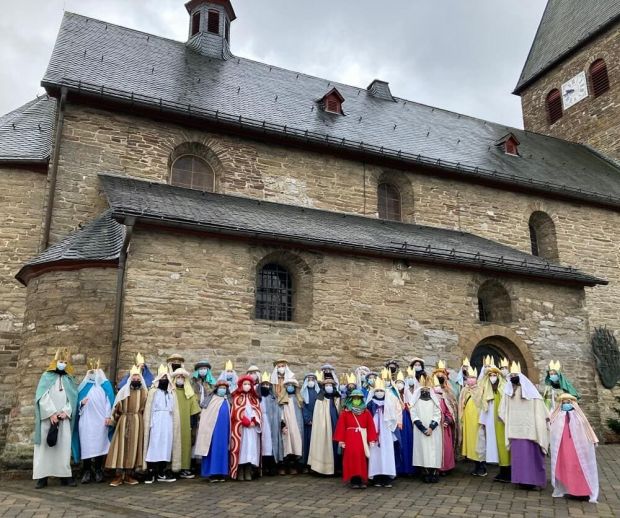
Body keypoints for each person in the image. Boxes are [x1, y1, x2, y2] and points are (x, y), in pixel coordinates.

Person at [499, 362, 549, 490]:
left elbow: (541, 411)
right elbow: (502, 410)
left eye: (515, 375)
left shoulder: (532, 393)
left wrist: (539, 424)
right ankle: (521, 480)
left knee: (532, 456)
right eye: (511, 376)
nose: (513, 378)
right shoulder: (508, 393)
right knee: (519, 457)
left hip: (531, 432)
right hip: (516, 431)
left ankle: (534, 481)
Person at [33, 348, 78, 489]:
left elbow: (73, 398)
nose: (62, 363)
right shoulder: (46, 376)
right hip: (48, 419)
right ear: (55, 361)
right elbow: (42, 396)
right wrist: (51, 413)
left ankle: (64, 476)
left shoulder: (69, 379)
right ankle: (42, 477)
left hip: (63, 419)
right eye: (60, 361)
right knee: (44, 448)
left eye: (65, 362)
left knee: (63, 447)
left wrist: (66, 411)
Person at [549, 393, 599, 503]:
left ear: (573, 403)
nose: (566, 404)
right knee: (566, 466)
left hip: (577, 448)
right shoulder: (558, 416)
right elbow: (553, 429)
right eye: (563, 402)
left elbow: (586, 429)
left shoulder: (578, 417)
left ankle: (582, 492)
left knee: (578, 467)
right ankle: (570, 490)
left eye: (568, 402)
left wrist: (591, 441)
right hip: (563, 447)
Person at [72, 359, 115, 484]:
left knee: (100, 445)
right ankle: (86, 471)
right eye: (91, 372)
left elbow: (109, 402)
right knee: (87, 446)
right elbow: (76, 405)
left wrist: (108, 416)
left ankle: (98, 470)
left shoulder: (105, 385)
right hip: (86, 422)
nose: (93, 374)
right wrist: (81, 403)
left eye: (95, 372)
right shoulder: (83, 387)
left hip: (101, 421)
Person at [106, 364, 148, 487]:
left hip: (137, 422)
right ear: (130, 378)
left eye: (138, 377)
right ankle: (118, 475)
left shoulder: (145, 393)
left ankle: (129, 475)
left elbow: (147, 409)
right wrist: (112, 419)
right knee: (120, 446)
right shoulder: (123, 391)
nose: (136, 379)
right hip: (123, 420)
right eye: (133, 377)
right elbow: (116, 407)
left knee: (133, 448)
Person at [143, 365, 181, 483]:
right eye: (162, 378)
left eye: (166, 378)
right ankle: (151, 471)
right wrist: (150, 423)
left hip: (168, 422)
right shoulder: (153, 392)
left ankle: (161, 472)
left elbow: (174, 410)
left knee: (166, 446)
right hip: (156, 421)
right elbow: (149, 409)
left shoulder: (172, 393)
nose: (164, 380)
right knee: (154, 445)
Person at [333, 389, 378, 489]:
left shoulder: (366, 412)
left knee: (362, 458)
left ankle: (362, 479)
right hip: (350, 438)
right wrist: (341, 440)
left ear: (361, 399)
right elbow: (341, 426)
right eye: (354, 398)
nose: (356, 400)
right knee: (351, 458)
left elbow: (370, 426)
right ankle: (354, 480)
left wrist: (371, 439)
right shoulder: (345, 413)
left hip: (362, 439)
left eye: (358, 398)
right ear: (351, 399)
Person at [478, 362, 510, 482]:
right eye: (490, 375)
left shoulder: (504, 388)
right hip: (492, 422)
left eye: (494, 375)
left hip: (502, 421)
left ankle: (507, 471)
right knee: (496, 446)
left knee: (504, 445)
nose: (492, 377)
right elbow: (484, 405)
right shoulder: (488, 390)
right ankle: (502, 470)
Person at [195, 380, 231, 482]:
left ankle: (221, 473)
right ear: (217, 389)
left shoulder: (227, 400)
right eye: (221, 388)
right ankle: (211, 473)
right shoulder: (211, 400)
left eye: (224, 388)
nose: (222, 390)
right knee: (212, 450)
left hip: (224, 431)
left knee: (222, 450)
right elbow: (205, 417)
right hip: (212, 431)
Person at [367, 378, 398, 487]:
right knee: (375, 452)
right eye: (377, 391)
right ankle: (376, 476)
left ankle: (387, 476)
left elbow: (393, 416)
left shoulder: (389, 402)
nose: (379, 393)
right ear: (373, 392)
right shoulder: (370, 403)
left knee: (387, 452)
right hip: (374, 430)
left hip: (386, 430)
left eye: (381, 391)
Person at [230, 375, 262, 481]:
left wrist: (254, 421)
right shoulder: (236, 397)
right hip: (241, 429)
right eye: (245, 384)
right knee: (241, 448)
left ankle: (248, 470)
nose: (247, 386)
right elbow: (235, 412)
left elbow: (257, 411)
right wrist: (246, 422)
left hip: (252, 429)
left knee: (250, 449)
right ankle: (240, 471)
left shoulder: (254, 398)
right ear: (241, 385)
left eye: (249, 384)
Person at [411, 377, 443, 483]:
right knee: (422, 451)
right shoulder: (415, 402)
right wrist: (422, 428)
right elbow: (413, 414)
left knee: (433, 451)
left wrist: (431, 428)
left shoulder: (435, 401)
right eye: (423, 389)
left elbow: (437, 414)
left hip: (433, 431)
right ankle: (425, 472)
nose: (425, 391)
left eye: (427, 389)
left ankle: (433, 472)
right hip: (420, 430)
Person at [308, 375, 341, 476]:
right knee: (323, 445)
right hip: (323, 428)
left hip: (335, 425)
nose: (329, 387)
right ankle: (321, 468)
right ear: (323, 387)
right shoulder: (320, 399)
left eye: (330, 385)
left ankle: (335, 468)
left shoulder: (337, 398)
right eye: (326, 385)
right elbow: (318, 416)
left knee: (335, 445)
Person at [171, 368, 200, 479]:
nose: (180, 379)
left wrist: (192, 425)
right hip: (173, 423)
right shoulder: (171, 392)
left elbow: (194, 411)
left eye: (182, 377)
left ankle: (184, 468)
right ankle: (172, 468)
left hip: (186, 423)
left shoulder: (189, 393)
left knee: (185, 445)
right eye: (178, 377)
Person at [459, 366, 485, 476]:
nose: (471, 379)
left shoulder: (481, 389)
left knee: (479, 442)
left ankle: (482, 467)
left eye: (473, 377)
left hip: (478, 420)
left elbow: (483, 404)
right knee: (471, 443)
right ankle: (476, 466)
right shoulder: (464, 390)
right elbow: (461, 404)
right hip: (468, 420)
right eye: (469, 377)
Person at [258, 372, 283, 476]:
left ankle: (272, 466)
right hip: (261, 423)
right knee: (262, 444)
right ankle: (263, 466)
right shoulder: (257, 398)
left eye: (267, 385)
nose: (265, 386)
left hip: (272, 424)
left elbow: (278, 411)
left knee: (271, 444)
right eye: (263, 384)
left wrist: (281, 422)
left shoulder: (273, 398)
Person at [279, 378, 304, 475]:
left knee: (296, 444)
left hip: (297, 426)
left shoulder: (298, 399)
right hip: (286, 426)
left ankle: (294, 466)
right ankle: (284, 466)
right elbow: (280, 412)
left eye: (292, 385)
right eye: (288, 385)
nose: (290, 387)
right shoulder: (282, 399)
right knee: (286, 444)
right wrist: (282, 425)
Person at [432, 375, 456, 474]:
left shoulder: (444, 398)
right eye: (435, 386)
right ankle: (435, 468)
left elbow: (449, 411)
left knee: (446, 447)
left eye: (438, 386)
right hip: (433, 427)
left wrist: (447, 420)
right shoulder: (430, 399)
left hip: (443, 427)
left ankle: (446, 467)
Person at [301, 373, 320, 472]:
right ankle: (305, 464)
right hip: (307, 423)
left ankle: (315, 465)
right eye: (309, 379)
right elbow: (303, 406)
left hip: (317, 421)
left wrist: (317, 419)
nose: (311, 381)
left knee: (316, 443)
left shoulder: (318, 392)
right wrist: (308, 419)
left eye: (313, 379)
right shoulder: (303, 392)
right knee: (307, 442)